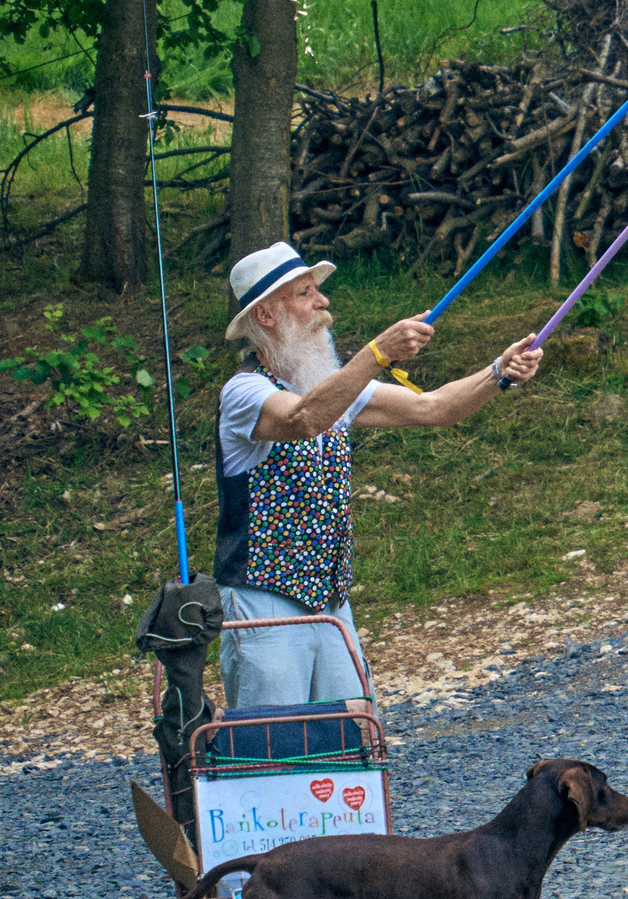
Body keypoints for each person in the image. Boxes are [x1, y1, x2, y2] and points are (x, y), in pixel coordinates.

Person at [214, 242, 544, 710]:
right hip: (261, 598)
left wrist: (498, 373)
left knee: (354, 731)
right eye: (305, 293)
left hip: (329, 598)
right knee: (273, 739)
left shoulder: (330, 387)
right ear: (266, 315)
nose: (323, 302)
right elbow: (303, 418)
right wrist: (378, 353)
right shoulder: (243, 392)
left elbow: (434, 407)